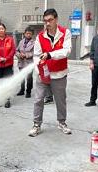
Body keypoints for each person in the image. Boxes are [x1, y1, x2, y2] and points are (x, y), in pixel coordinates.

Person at [29, 8, 72, 137]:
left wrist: (50, 55)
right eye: (45, 21)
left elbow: (66, 51)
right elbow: (36, 55)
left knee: (60, 100)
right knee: (38, 99)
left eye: (50, 20)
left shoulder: (65, 33)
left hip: (59, 74)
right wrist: (39, 71)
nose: (48, 23)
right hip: (43, 75)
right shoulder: (40, 36)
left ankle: (62, 122)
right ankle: (36, 124)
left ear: (56, 19)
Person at [0, 23, 16, 108]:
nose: (1, 30)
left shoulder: (10, 39)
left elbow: (13, 50)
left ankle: (7, 100)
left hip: (7, 64)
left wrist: (6, 58)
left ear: (5, 30)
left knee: (7, 82)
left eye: (2, 29)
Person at [16, 27, 34, 98]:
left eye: (30, 33)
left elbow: (34, 52)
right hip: (21, 62)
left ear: (32, 34)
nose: (28, 35)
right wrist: (19, 55)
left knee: (29, 78)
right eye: (27, 33)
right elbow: (16, 50)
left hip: (29, 63)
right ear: (24, 34)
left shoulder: (34, 42)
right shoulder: (21, 42)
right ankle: (22, 90)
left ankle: (28, 91)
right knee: (22, 77)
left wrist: (26, 55)